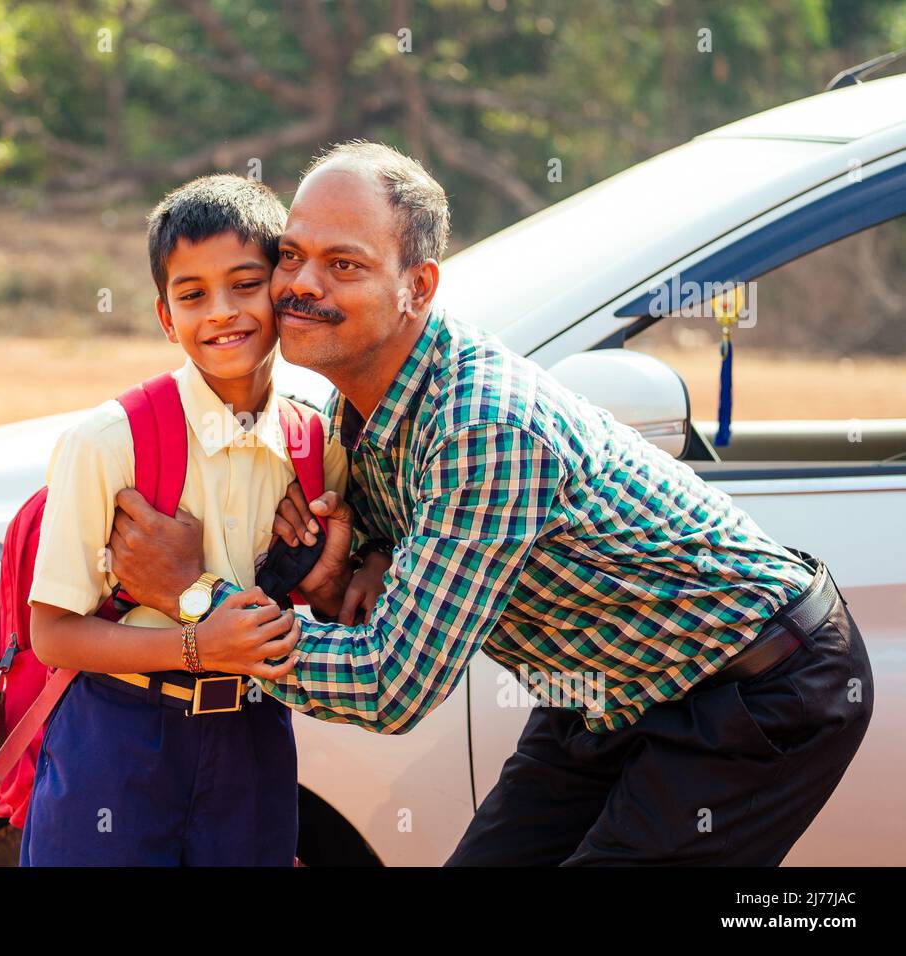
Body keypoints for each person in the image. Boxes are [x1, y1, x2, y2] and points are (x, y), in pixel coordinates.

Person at [105, 141, 875, 865]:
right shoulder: (355, 407)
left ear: (418, 287)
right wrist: (341, 581)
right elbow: (389, 598)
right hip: (603, 691)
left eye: (344, 264)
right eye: (293, 256)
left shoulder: (484, 428)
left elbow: (388, 684)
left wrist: (197, 597)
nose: (302, 285)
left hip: (754, 687)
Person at [19, 173, 347, 866]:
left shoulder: (318, 445)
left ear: (284, 291)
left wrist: (325, 578)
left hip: (254, 737)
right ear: (166, 317)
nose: (221, 312)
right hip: (118, 735)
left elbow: (332, 601)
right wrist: (200, 648)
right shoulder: (109, 444)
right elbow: (52, 633)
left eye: (245, 283)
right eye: (192, 295)